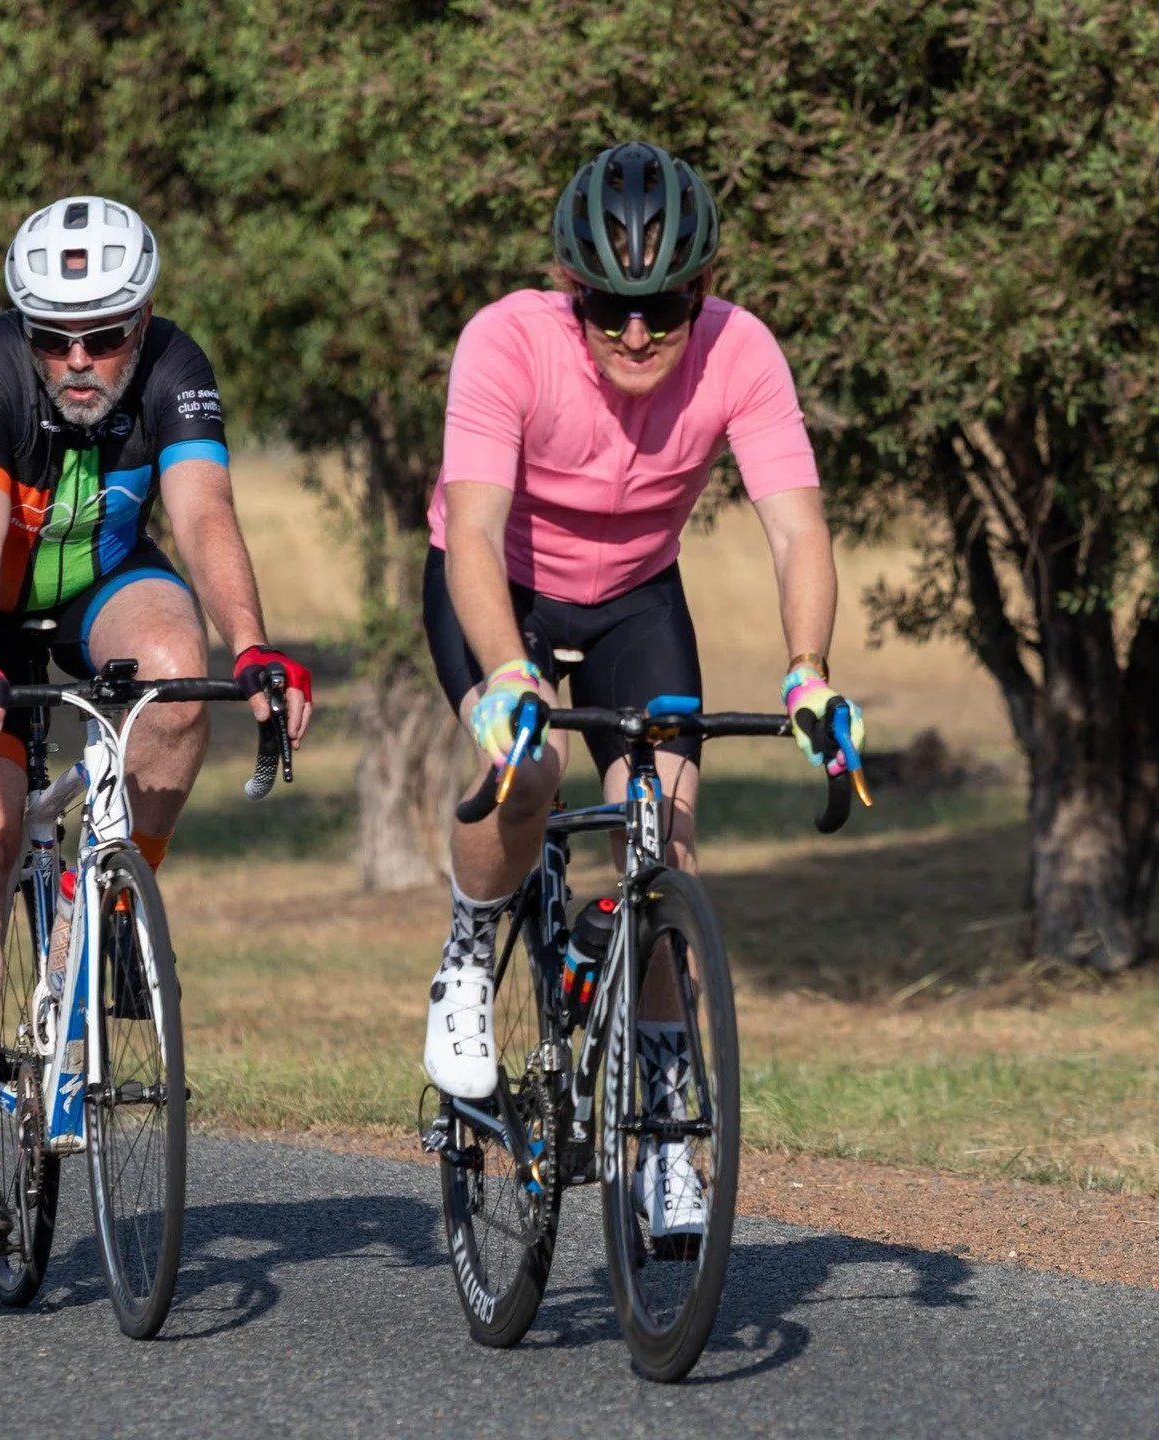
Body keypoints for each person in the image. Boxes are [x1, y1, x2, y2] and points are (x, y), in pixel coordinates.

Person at [420, 142, 864, 1242]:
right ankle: (469, 957)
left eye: (661, 306)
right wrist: (508, 673)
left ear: (703, 290)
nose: (633, 332)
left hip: (632, 598)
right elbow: (470, 531)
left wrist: (809, 669)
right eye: (608, 306)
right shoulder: (505, 341)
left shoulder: (741, 352)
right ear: (568, 290)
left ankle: (665, 1134)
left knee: (666, 831)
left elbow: (798, 527)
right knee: (531, 766)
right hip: (499, 588)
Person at [0, 195, 313, 1254]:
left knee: (177, 673)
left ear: (146, 318)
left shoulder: (177, 366)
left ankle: (117, 900)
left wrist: (255, 642)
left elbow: (205, 515)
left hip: (101, 581)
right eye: (55, 337)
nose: (79, 360)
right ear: (26, 331)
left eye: (106, 334)